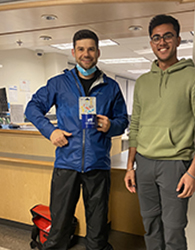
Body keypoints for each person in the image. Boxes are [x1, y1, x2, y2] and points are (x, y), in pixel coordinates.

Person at [25, 29, 128, 250]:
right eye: (81, 49)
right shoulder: (58, 83)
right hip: (66, 164)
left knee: (98, 226)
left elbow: (123, 120)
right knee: (59, 224)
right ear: (73, 52)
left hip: (98, 165)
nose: (86, 53)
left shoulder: (111, 87)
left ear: (98, 52)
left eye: (91, 49)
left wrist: (111, 126)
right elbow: (32, 108)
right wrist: (50, 131)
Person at [124, 14, 195, 250]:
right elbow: (134, 125)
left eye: (167, 36)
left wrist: (193, 172)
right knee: (151, 225)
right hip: (144, 165)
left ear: (178, 40)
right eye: (156, 37)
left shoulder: (194, 78)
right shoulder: (143, 82)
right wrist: (130, 166)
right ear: (151, 43)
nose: (162, 42)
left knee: (174, 229)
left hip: (175, 165)